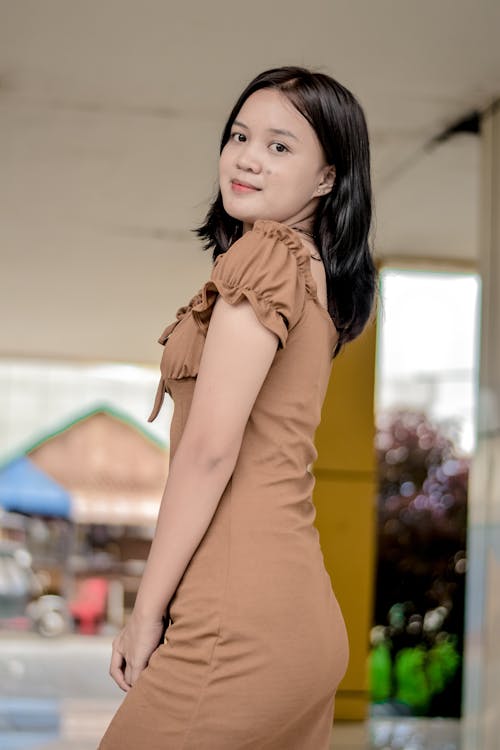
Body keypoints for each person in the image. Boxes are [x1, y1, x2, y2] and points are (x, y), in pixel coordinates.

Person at [99, 65, 377, 749]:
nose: (247, 156)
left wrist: (146, 612)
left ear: (328, 177)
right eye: (239, 136)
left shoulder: (269, 255)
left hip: (238, 618)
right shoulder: (309, 268)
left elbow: (209, 451)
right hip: (295, 616)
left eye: (281, 146)